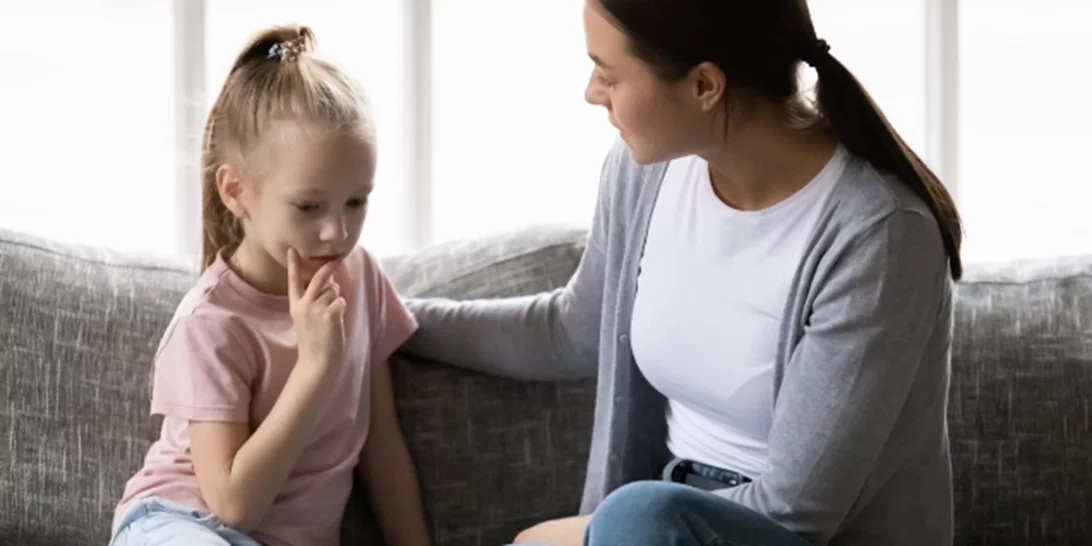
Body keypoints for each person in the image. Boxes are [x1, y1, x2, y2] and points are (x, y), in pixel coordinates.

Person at [400, 0, 962, 545]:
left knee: (637, 515)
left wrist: (589, 532)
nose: (592, 92)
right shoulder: (644, 174)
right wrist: (391, 317)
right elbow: (574, 330)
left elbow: (797, 510)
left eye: (608, 74)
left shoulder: (879, 236)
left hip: (749, 532)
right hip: (651, 527)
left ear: (703, 85)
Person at [108, 25, 430, 546]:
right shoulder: (210, 324)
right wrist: (316, 367)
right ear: (236, 191)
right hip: (182, 523)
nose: (337, 231)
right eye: (309, 206)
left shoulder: (361, 279)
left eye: (357, 201)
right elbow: (234, 505)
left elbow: (382, 446)